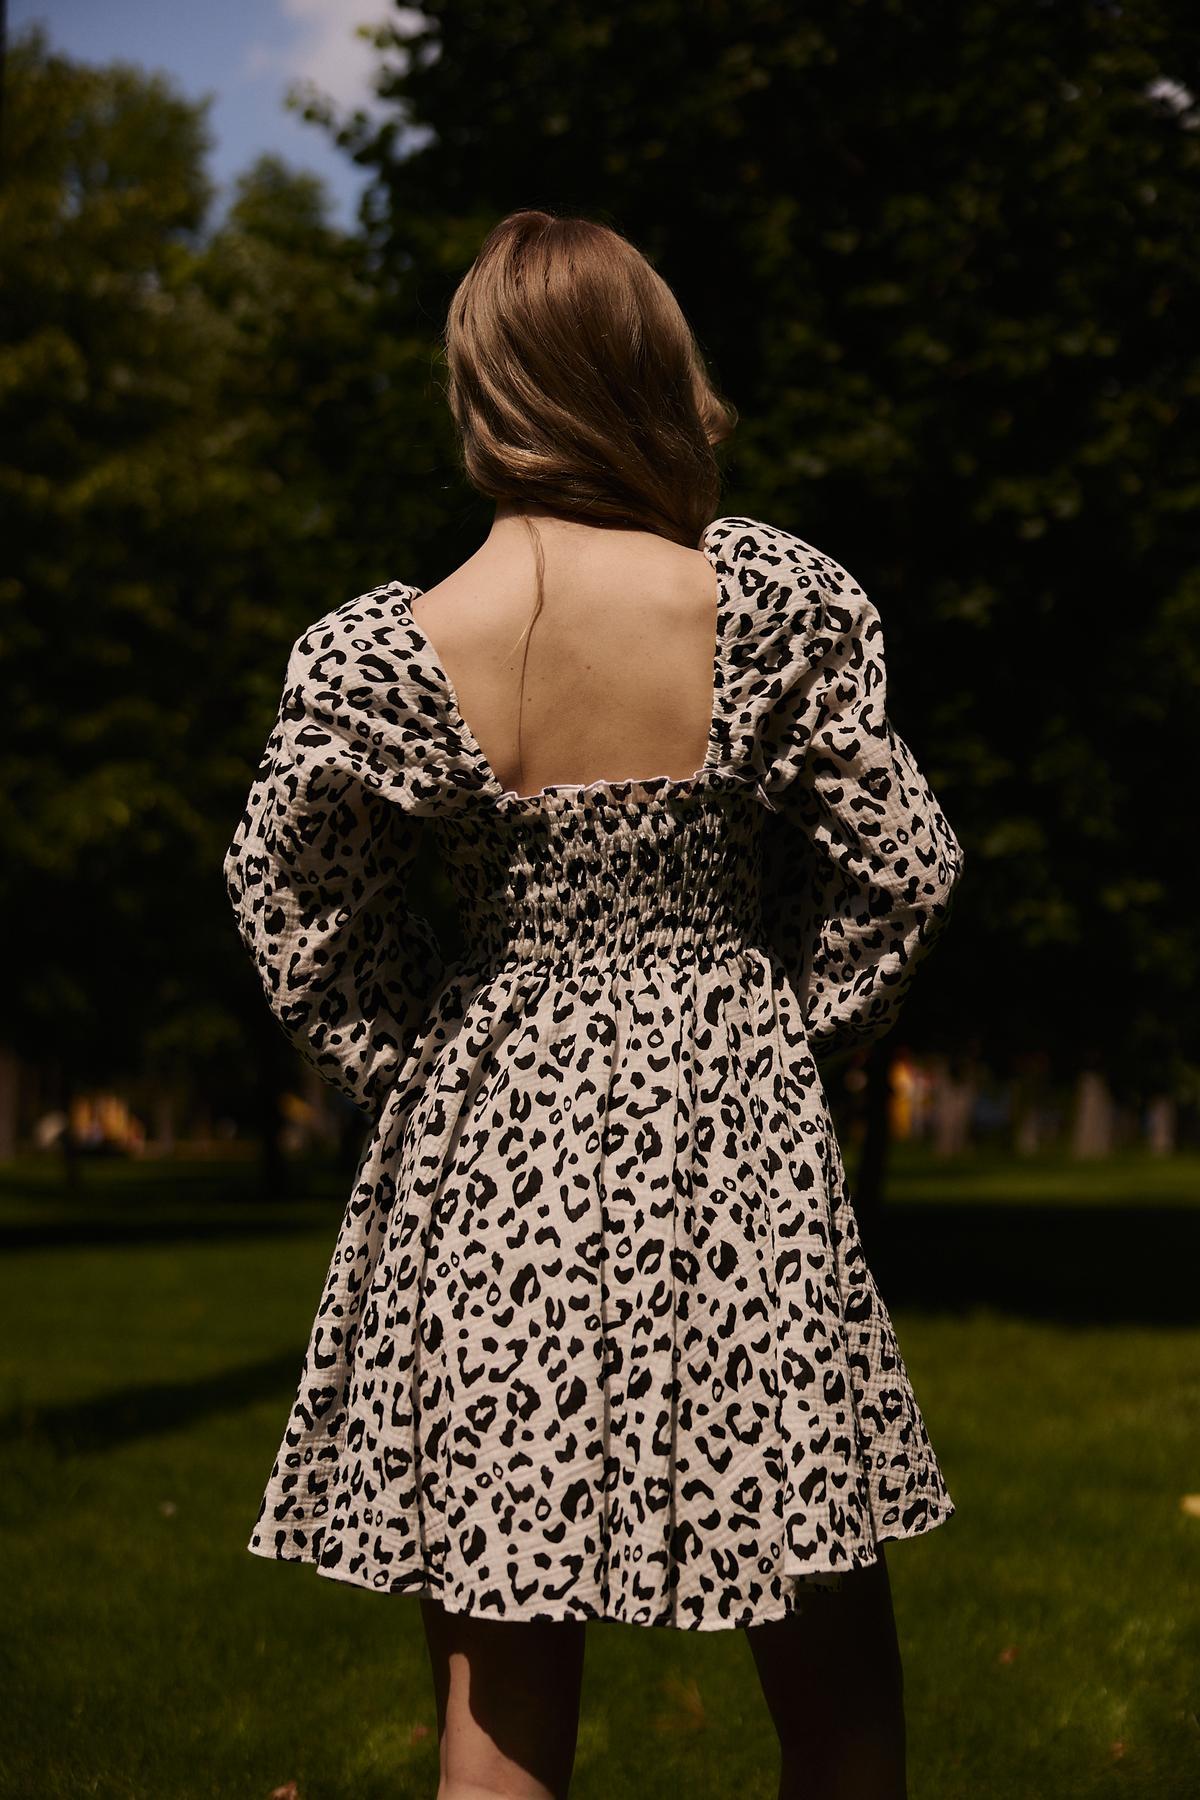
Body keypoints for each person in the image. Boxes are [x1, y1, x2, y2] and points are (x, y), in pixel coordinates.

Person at [222, 207, 966, 1800]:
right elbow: (903, 867)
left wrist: (424, 1053)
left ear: (480, 389)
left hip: (488, 1153)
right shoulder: (766, 603)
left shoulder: (388, 652)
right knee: (839, 1699)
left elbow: (296, 908)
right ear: (652, 373)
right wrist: (779, 1023)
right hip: (731, 1146)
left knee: (497, 1725)